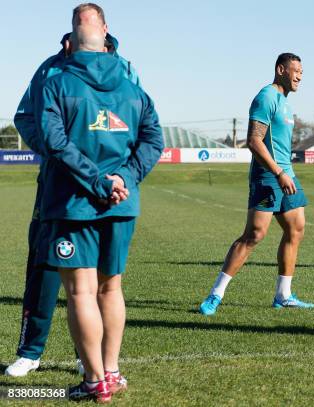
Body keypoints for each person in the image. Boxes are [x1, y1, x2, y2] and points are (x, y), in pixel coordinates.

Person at [6, 3, 140, 378]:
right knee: (46, 266)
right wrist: (51, 151)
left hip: (111, 190)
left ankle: (93, 362)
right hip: (61, 184)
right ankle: (31, 351)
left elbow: (139, 125)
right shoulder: (51, 67)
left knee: (103, 281)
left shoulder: (125, 68)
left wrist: (120, 178)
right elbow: (26, 117)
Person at [36, 16, 163, 402]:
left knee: (81, 293)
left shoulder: (56, 82)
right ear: (107, 40)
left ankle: (95, 381)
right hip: (122, 204)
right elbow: (153, 139)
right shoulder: (133, 88)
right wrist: (124, 177)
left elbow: (53, 141)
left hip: (74, 203)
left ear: (71, 42)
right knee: (111, 288)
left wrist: (99, 181)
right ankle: (112, 371)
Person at [199, 53, 314, 315]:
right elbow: (254, 141)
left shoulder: (285, 102)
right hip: (268, 176)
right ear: (280, 70)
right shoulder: (266, 97)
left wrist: (286, 173)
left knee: (296, 228)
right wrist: (278, 173)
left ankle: (283, 295)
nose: (299, 77)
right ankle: (215, 295)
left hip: (287, 174)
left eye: (302, 73)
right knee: (254, 235)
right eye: (295, 71)